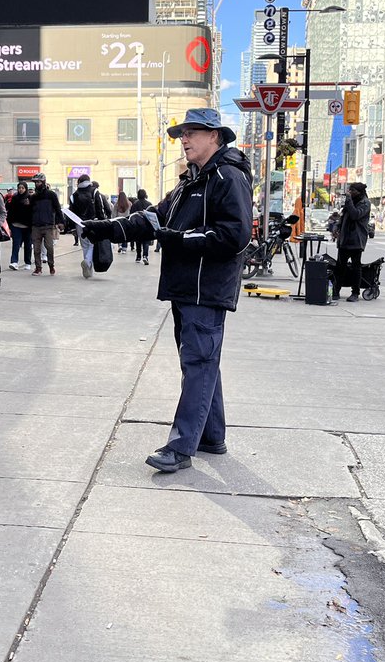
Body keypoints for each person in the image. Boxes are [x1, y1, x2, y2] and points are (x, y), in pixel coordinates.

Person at [82, 108, 251, 475]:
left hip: (206, 289)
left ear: (214, 136)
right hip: (187, 287)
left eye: (191, 132)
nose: (184, 139)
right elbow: (153, 219)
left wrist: (180, 239)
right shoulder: (192, 180)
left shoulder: (227, 177)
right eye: (182, 134)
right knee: (202, 362)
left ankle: (181, 446)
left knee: (198, 363)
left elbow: (235, 236)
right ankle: (211, 436)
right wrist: (107, 228)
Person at [333, 182, 372, 303]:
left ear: (359, 192)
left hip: (356, 239)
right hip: (345, 238)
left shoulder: (365, 203)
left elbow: (355, 215)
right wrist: (337, 227)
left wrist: (349, 200)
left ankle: (355, 292)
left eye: (352, 191)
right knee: (340, 266)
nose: (350, 193)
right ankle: (336, 290)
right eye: (349, 190)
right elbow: (344, 215)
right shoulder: (350, 202)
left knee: (356, 267)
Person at [69, 174, 111, 278]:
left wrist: (72, 227)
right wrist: (103, 221)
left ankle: (89, 269)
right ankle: (87, 262)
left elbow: (71, 211)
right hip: (93, 222)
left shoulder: (74, 195)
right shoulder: (94, 191)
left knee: (84, 246)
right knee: (92, 244)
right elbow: (100, 208)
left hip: (79, 223)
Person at [29, 172, 62, 275]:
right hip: (36, 226)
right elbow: (30, 212)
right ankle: (38, 268)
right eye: (35, 182)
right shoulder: (33, 197)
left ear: (43, 182)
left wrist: (60, 222)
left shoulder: (51, 195)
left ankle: (51, 265)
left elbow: (58, 208)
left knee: (49, 247)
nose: (37, 184)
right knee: (36, 249)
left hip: (48, 225)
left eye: (39, 182)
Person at [7, 180, 34, 270]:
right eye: (19, 188)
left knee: (28, 245)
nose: (21, 190)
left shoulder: (30, 198)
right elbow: (11, 211)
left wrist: (29, 205)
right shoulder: (15, 198)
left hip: (27, 226)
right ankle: (14, 262)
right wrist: (9, 225)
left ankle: (27, 262)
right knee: (16, 244)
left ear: (26, 189)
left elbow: (32, 211)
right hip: (16, 225)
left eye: (23, 188)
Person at [130, 188, 153, 265]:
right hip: (147, 225)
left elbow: (131, 214)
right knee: (146, 241)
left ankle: (138, 256)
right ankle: (145, 256)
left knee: (138, 241)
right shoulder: (149, 204)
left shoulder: (135, 204)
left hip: (137, 225)